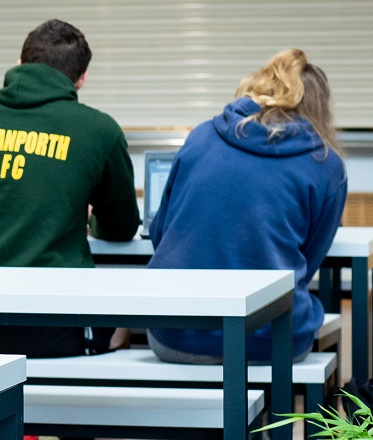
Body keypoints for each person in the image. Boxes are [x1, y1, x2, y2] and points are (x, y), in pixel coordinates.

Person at [0, 18, 140, 356]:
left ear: (19, 65)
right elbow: (121, 228)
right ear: (81, 78)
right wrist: (87, 220)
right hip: (48, 331)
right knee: (125, 330)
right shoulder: (99, 130)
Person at [146, 49, 347, 365]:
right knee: (307, 311)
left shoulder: (200, 136)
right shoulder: (326, 165)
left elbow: (161, 234)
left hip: (175, 333)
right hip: (269, 339)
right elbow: (309, 259)